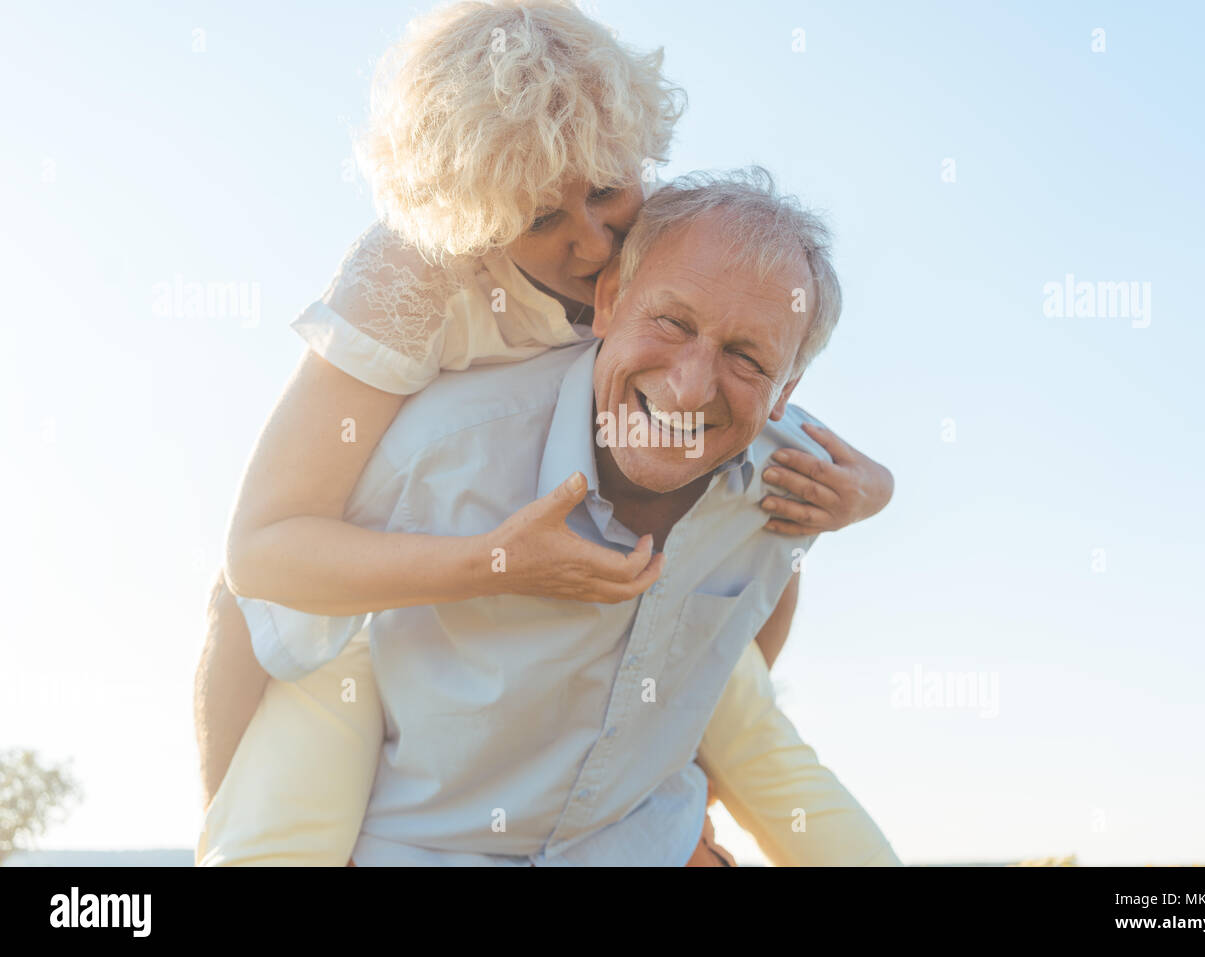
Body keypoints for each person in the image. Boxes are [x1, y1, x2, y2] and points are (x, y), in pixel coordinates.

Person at [194, 0, 895, 864]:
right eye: (540, 220)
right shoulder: (412, 277)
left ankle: (677, 786)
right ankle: (232, 830)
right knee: (244, 613)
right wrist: (496, 560)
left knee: (745, 540)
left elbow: (745, 350)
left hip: (627, 510)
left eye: (606, 192)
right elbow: (264, 544)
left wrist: (872, 488)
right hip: (441, 531)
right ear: (478, 216)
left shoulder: (659, 236)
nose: (595, 242)